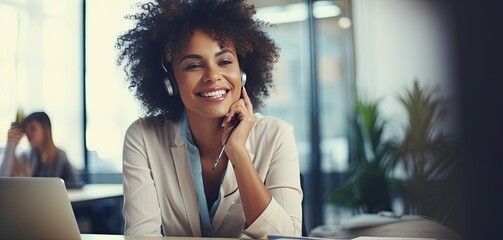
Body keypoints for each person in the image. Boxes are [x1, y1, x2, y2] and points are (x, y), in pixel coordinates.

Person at [116, 0, 302, 238]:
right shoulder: (143, 137)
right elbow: (141, 236)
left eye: (224, 61)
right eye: (194, 65)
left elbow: (286, 238)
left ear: (242, 73)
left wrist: (238, 152)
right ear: (170, 82)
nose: (213, 76)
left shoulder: (277, 135)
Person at [0, 111, 78, 184]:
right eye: (26, 131)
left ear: (45, 130)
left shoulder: (60, 155)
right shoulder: (26, 157)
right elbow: (3, 178)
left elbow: (74, 184)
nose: (28, 134)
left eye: (32, 129)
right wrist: (11, 145)